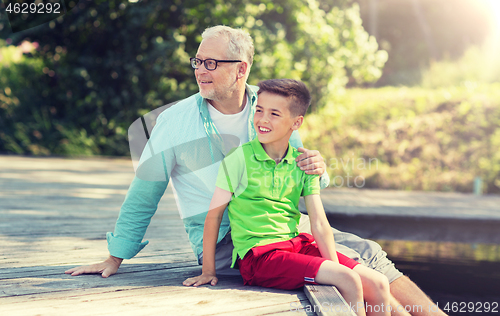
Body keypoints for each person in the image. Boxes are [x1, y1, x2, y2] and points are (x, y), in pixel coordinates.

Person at [65, 25, 446, 316]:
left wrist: (318, 168)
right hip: (233, 241)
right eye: (198, 61)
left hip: (282, 227)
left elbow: (299, 179)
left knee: (369, 252)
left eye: (212, 63)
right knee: (358, 267)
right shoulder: (175, 122)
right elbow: (143, 193)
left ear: (241, 69)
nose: (201, 70)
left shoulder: (268, 108)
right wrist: (116, 256)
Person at [183, 79, 398, 316]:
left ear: (296, 122)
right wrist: (208, 271)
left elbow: (318, 223)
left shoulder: (302, 163)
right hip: (260, 257)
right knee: (348, 279)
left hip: (297, 246)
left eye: (274, 114)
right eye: (259, 110)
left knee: (378, 283)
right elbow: (214, 216)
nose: (263, 120)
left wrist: (331, 266)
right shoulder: (239, 159)